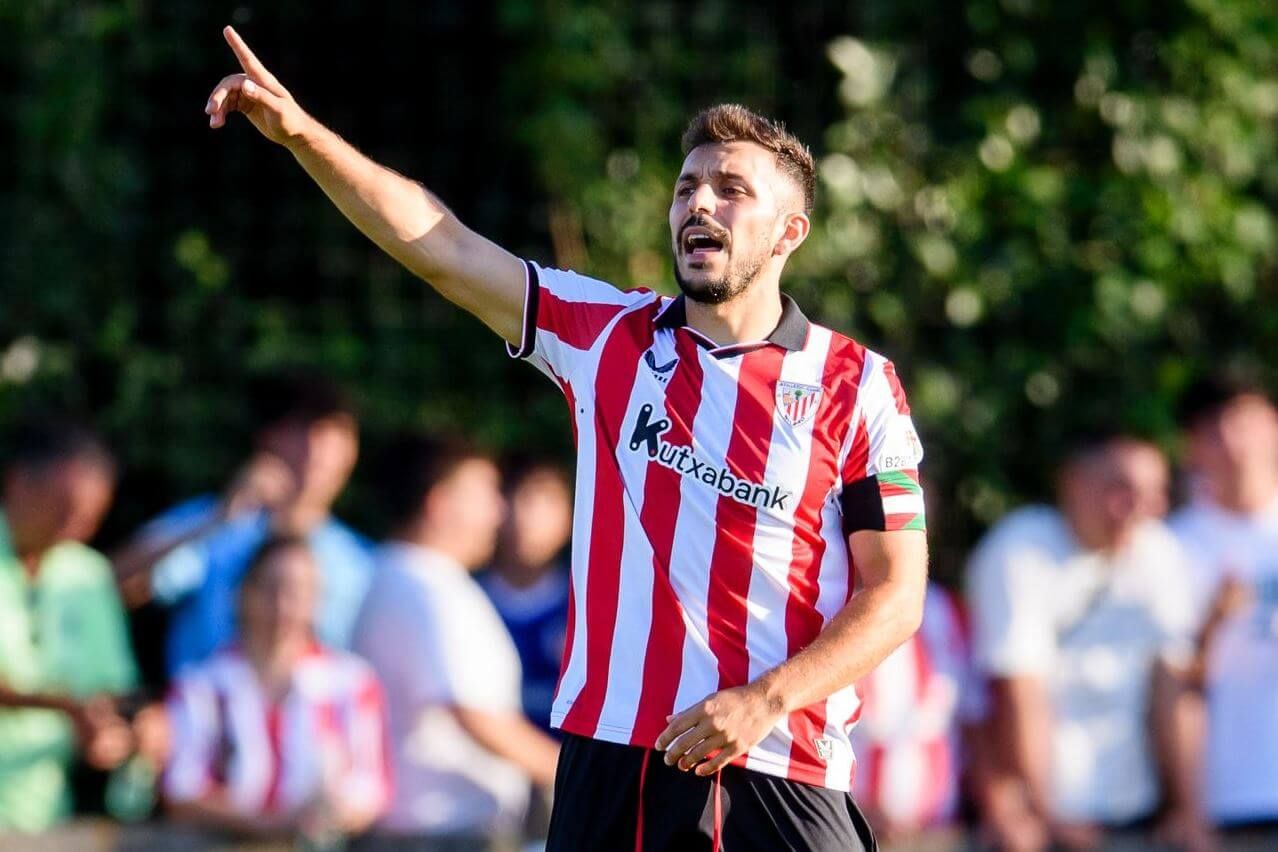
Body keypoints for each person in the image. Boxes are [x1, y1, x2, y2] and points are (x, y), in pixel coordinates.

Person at [206, 30, 928, 851]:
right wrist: (304, 135)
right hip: (610, 764)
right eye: (688, 186)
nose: (700, 203)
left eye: (732, 190)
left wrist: (766, 699)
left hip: (778, 766)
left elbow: (895, 595)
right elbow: (441, 246)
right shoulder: (608, 337)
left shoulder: (857, 384)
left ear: (790, 232)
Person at [966, 433, 1207, 851]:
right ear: (1073, 484)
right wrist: (1046, 813)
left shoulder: (1159, 552)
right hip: (1049, 819)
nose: (1143, 508)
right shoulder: (1019, 550)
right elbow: (1019, 692)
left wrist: (1188, 811)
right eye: (1123, 490)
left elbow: (1173, 688)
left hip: (1138, 807)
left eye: (1155, 492)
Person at [353, 435, 558, 850]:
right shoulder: (427, 588)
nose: (499, 512)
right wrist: (570, 774)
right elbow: (475, 713)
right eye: (485, 493)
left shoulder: (400, 576)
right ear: (440, 504)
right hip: (445, 834)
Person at [113, 370, 373, 676]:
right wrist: (219, 518)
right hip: (208, 717)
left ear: (352, 449)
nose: (315, 450)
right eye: (300, 430)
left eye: (331, 433)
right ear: (266, 438)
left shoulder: (361, 561)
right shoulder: (212, 526)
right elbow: (112, 587)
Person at [164, 535, 391, 841]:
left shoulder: (352, 682)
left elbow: (370, 788)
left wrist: (330, 814)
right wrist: (269, 824)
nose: (284, 605)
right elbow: (182, 790)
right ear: (243, 594)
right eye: (271, 588)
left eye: (299, 591)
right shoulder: (200, 686)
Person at [0, 417, 140, 833]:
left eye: (90, 517)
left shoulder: (88, 575)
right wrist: (63, 706)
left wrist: (116, 732)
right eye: (64, 510)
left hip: (47, 817)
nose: (76, 527)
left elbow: (113, 689)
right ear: (19, 483)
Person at [1169, 378, 1278, 843]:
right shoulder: (1170, 545)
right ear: (1189, 447)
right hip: (1228, 803)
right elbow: (1170, 682)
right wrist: (1212, 622)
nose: (1234, 441)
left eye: (1246, 420)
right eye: (1214, 428)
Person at [849, 582, 980, 851]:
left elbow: (974, 721)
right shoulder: (832, 603)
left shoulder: (950, 610)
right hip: (852, 833)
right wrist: (855, 810)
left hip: (940, 835)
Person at [479, 460, 573, 733]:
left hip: (564, 767)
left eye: (548, 503)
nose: (531, 517)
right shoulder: (468, 598)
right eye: (523, 499)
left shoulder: (589, 608)